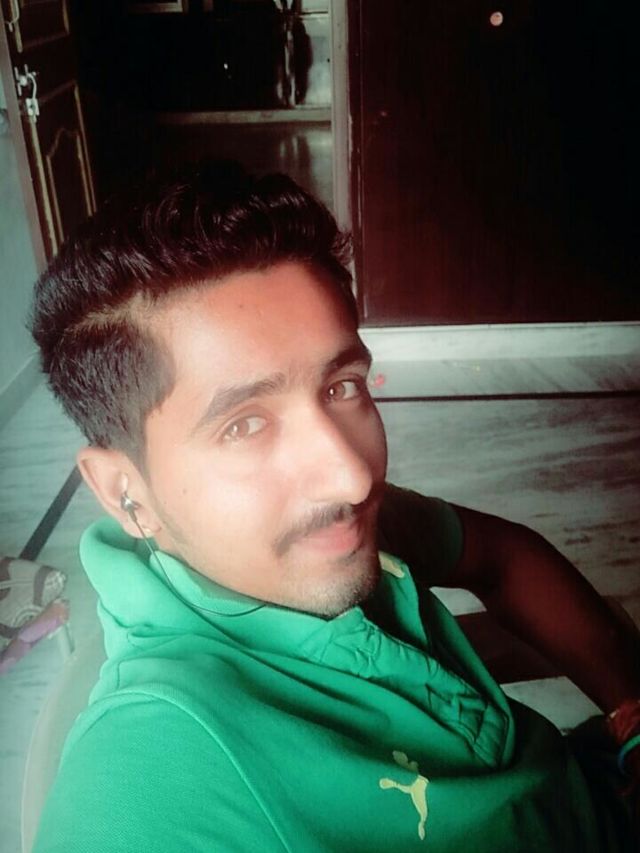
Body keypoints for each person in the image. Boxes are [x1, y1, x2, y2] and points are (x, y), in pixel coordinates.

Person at [29, 162, 639, 851]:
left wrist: (632, 713)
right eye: (244, 425)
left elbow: (501, 557)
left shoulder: (323, 529)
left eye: (342, 386)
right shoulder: (145, 778)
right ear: (123, 489)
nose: (351, 478)